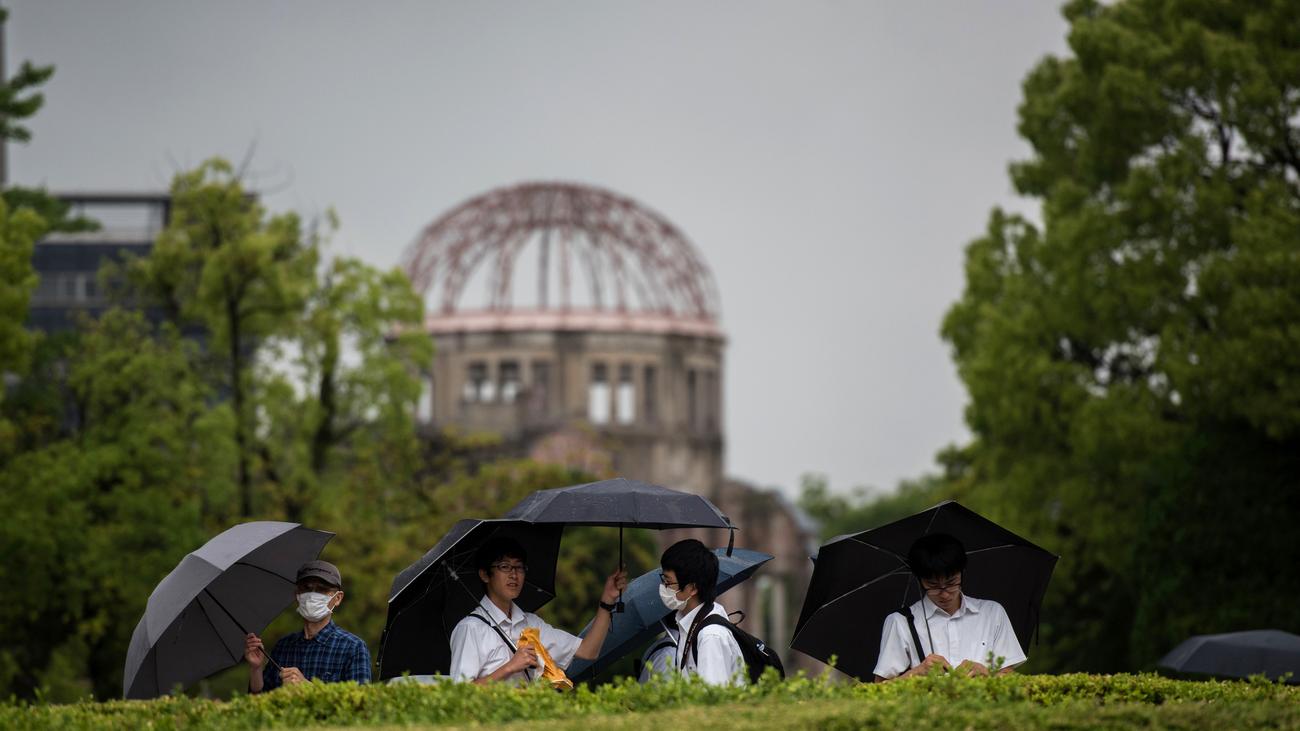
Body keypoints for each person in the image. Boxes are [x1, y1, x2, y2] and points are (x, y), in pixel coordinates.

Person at [448, 536, 627, 684]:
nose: (513, 575)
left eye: (519, 567)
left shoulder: (530, 623)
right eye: (504, 567)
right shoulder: (470, 628)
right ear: (485, 575)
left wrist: (607, 601)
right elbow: (461, 695)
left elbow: (588, 651)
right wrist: (510, 667)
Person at [873, 533, 1026, 681]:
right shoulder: (901, 621)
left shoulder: (992, 612)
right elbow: (879, 688)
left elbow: (1010, 676)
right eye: (933, 585)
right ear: (919, 580)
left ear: (962, 572)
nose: (945, 594)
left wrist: (986, 673)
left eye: (952, 583)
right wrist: (918, 672)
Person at [244, 560, 371, 692]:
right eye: (306, 588)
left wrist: (308, 687)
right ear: (297, 595)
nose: (312, 595)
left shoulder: (353, 647)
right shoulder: (283, 646)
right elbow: (260, 699)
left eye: (322, 589)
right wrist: (256, 669)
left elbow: (360, 705)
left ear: (338, 598)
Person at [660, 538, 744, 686]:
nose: (663, 587)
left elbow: (712, 701)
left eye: (668, 582)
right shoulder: (691, 625)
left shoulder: (710, 636)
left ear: (692, 588)